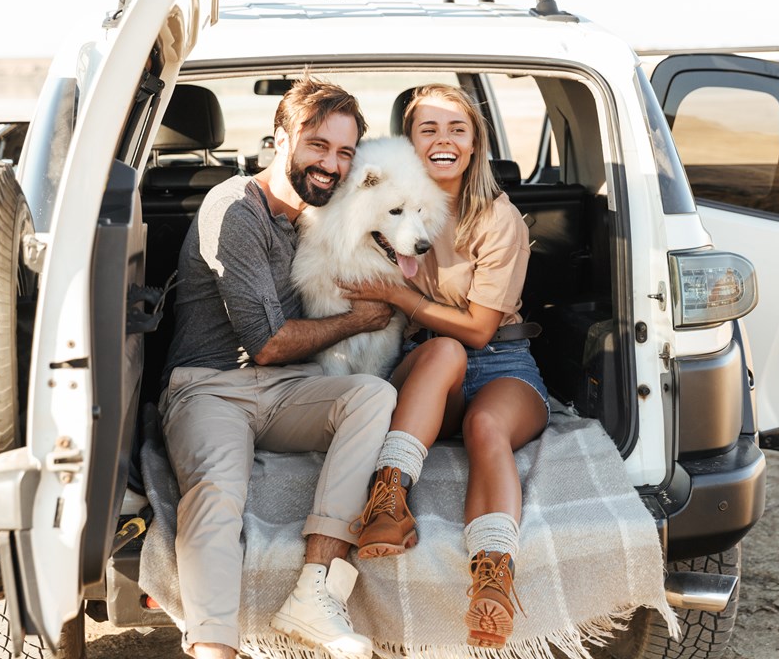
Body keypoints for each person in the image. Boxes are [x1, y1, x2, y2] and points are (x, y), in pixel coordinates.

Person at [160, 77, 396, 659]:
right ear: (279, 139)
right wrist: (361, 319)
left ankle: (315, 591)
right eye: (317, 145)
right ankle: (214, 645)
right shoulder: (234, 207)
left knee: (370, 396)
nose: (331, 165)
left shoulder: (319, 215)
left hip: (292, 387)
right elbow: (265, 343)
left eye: (344, 153)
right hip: (210, 388)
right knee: (216, 492)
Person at [343, 83, 550, 649]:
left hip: (504, 359)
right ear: (408, 142)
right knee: (443, 349)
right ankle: (389, 500)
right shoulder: (383, 201)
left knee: (488, 427)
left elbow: (483, 329)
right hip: (428, 361)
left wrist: (406, 301)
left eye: (457, 129)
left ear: (474, 142)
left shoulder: (497, 218)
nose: (443, 140)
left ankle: (493, 577)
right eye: (427, 129)